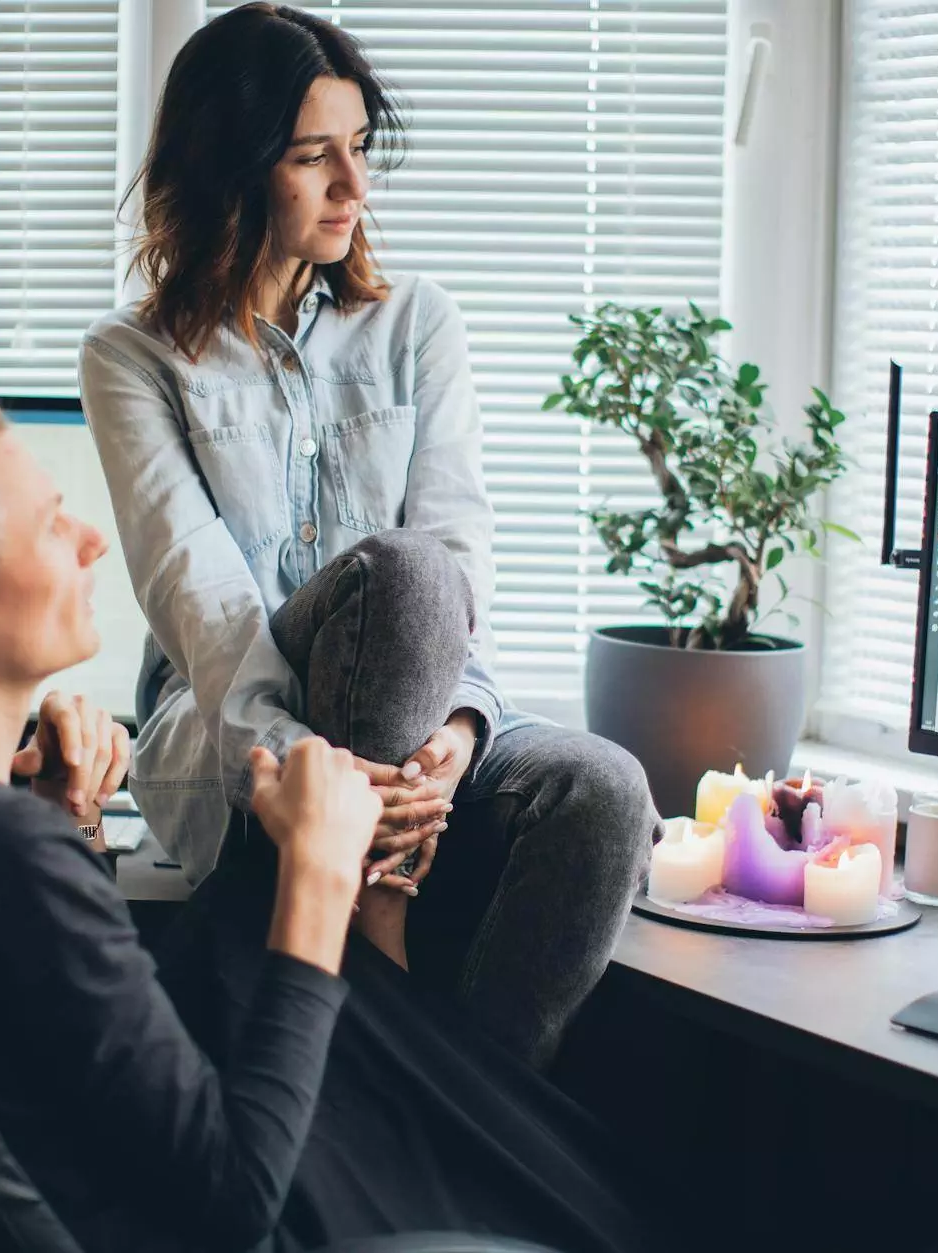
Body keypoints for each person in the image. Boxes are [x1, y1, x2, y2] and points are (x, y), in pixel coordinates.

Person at [0, 390, 663, 1253]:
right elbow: (228, 1202)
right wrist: (315, 875)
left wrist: (68, 820)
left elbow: (35, 1031)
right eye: (48, 523)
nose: (91, 540)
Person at [80, 0, 657, 1069]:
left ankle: (467, 1108)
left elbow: (460, 552)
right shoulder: (133, 358)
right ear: (229, 171)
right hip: (235, 739)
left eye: (358, 150)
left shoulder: (417, 320)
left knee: (604, 789)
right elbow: (204, 604)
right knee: (396, 574)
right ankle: (371, 925)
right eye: (314, 158)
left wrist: (456, 736)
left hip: (424, 717)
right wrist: (322, 781)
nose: (355, 186)